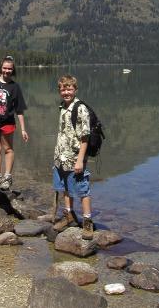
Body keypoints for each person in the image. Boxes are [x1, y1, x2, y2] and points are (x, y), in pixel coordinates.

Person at [52, 74, 94, 240]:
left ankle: (87, 221)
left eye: (69, 88)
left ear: (75, 89)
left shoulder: (80, 108)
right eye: (63, 89)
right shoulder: (62, 107)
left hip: (75, 157)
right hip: (60, 157)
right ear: (59, 91)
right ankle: (69, 216)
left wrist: (80, 160)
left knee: (83, 190)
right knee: (65, 188)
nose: (66, 92)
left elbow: (85, 137)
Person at [0, 55, 28, 191]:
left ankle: (7, 177)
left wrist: (23, 129)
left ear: (13, 70)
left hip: (8, 122)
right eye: (5, 68)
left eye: (9, 69)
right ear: (1, 68)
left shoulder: (14, 87)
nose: (7, 71)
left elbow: (20, 110)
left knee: (8, 149)